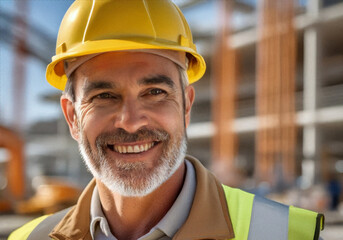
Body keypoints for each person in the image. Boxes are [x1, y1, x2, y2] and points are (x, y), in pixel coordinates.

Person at [10, 0, 324, 239]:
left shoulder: (282, 233)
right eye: (104, 96)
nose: (130, 122)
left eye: (155, 92)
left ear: (186, 107)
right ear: (72, 117)